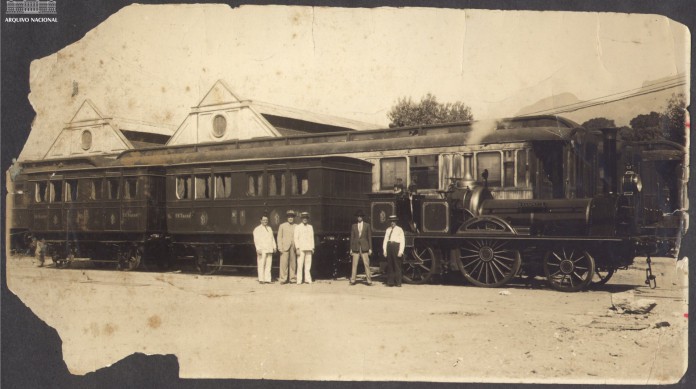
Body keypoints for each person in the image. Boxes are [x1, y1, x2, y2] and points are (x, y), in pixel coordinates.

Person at [349, 210, 372, 286]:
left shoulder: (367, 225)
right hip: (355, 247)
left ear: (362, 217)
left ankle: (369, 281)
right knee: (354, 264)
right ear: (356, 217)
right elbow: (352, 238)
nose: (359, 218)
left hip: (364, 247)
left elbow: (369, 237)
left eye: (360, 216)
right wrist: (351, 249)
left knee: (366, 264)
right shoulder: (353, 226)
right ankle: (353, 280)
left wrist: (370, 248)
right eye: (358, 216)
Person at [253, 214, 277, 284]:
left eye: (266, 220)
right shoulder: (257, 229)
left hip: (269, 249)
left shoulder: (269, 228)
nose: (265, 221)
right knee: (261, 264)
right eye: (263, 220)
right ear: (260, 221)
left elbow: (272, 238)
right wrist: (258, 249)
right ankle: (261, 279)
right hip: (262, 250)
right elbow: (256, 240)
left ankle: (267, 279)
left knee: (268, 265)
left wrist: (274, 247)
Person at [382, 215, 405, 287]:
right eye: (391, 221)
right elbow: (385, 240)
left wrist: (400, 251)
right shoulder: (388, 229)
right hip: (389, 246)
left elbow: (402, 241)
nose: (392, 223)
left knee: (397, 265)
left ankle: (398, 282)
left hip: (396, 247)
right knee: (390, 264)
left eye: (394, 221)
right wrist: (384, 250)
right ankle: (390, 282)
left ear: (396, 222)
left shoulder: (399, 229)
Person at [294, 211, 315, 284]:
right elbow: (296, 238)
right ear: (301, 219)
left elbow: (312, 238)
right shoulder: (298, 227)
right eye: (303, 218)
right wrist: (297, 248)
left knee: (308, 265)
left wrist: (312, 248)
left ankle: (307, 279)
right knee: (300, 265)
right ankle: (299, 280)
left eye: (306, 218)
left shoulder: (310, 227)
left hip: (309, 248)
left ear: (308, 219)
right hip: (301, 248)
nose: (305, 219)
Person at [276, 210, 297, 284]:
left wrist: (297, 247)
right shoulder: (282, 225)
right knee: (283, 264)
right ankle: (283, 279)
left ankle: (292, 278)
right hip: (284, 247)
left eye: (292, 217)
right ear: (287, 218)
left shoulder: (296, 226)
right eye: (289, 217)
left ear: (293, 218)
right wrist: (279, 247)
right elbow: (279, 237)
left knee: (293, 263)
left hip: (293, 247)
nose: (290, 218)